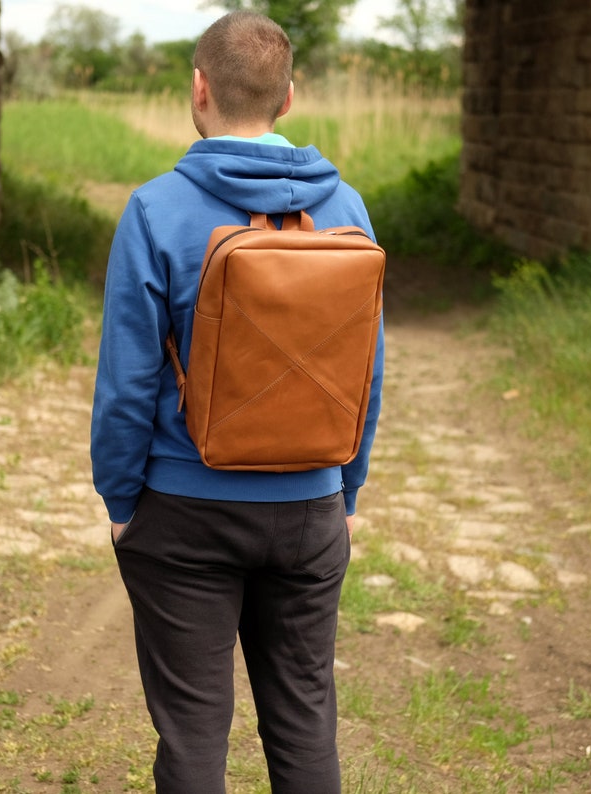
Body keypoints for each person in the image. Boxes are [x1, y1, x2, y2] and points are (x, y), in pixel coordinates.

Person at [90, 11, 384, 794]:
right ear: (288, 99)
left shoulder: (156, 209)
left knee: (192, 732)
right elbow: (367, 373)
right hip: (312, 510)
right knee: (304, 722)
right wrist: (346, 491)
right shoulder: (347, 209)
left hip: (183, 510)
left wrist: (122, 500)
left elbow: (127, 383)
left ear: (198, 89)